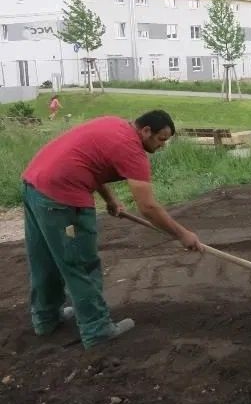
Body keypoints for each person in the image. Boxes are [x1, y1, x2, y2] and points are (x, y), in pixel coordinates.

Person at [21, 110, 202, 348]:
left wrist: (110, 199)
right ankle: (97, 329)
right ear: (146, 131)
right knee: (81, 265)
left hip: (34, 186)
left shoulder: (113, 124)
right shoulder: (132, 151)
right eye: (161, 139)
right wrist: (182, 235)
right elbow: (147, 206)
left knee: (44, 259)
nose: (162, 145)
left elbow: (88, 161)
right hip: (62, 200)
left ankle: (46, 319)